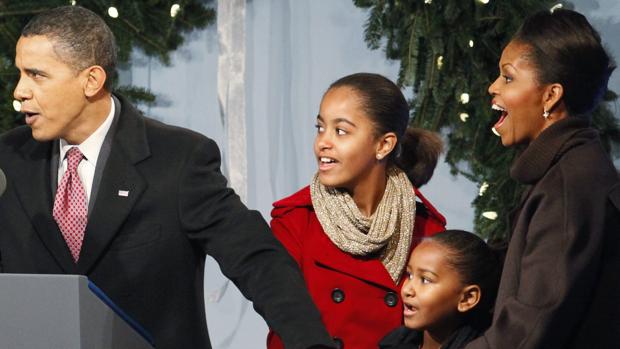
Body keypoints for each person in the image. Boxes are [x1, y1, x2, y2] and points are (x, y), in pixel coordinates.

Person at [0, 6, 336, 349]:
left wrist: (311, 344)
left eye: (36, 75)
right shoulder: (7, 161)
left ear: (91, 80)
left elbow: (257, 260)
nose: (20, 91)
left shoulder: (179, 159)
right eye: (20, 74)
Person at [466, 9, 620, 348]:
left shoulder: (569, 186)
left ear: (550, 96)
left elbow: (531, 326)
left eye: (508, 78)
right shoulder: (568, 169)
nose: (492, 87)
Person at [266, 73, 447, 349]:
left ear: (383, 145)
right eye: (320, 127)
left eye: (340, 131)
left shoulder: (426, 231)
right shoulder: (293, 223)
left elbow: (437, 334)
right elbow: (284, 329)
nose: (322, 143)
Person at [379, 230, 502, 349]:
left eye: (425, 280)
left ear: (467, 298)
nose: (407, 290)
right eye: (409, 275)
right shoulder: (395, 342)